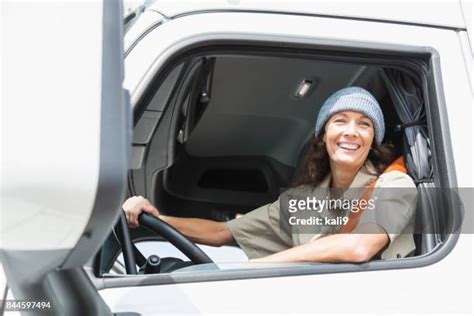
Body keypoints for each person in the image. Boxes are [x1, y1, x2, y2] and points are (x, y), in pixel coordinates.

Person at [123, 87, 417, 263]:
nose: (351, 131)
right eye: (340, 121)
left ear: (373, 138)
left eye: (364, 124)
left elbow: (358, 247)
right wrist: (156, 218)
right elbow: (221, 232)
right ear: (324, 134)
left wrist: (267, 266)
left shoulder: (394, 184)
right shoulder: (301, 201)